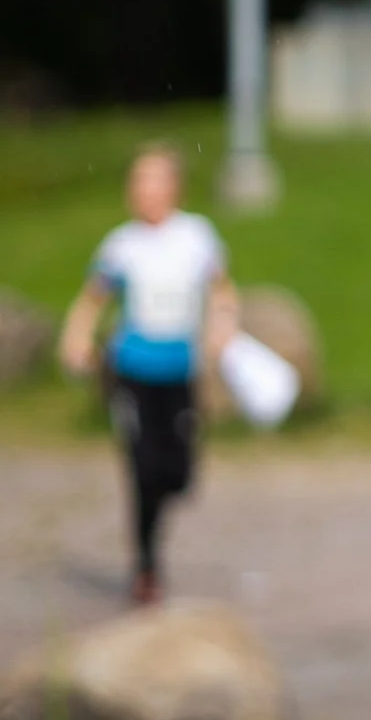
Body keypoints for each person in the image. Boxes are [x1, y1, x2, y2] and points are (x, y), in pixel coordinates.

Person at [59, 142, 238, 606]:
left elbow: (221, 289)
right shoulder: (123, 246)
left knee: (176, 471)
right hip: (133, 369)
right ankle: (146, 565)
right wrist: (77, 338)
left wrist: (223, 323)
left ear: (175, 188)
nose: (145, 190)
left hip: (179, 370)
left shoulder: (196, 237)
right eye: (138, 180)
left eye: (155, 180)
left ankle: (164, 499)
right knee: (142, 467)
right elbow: (93, 299)